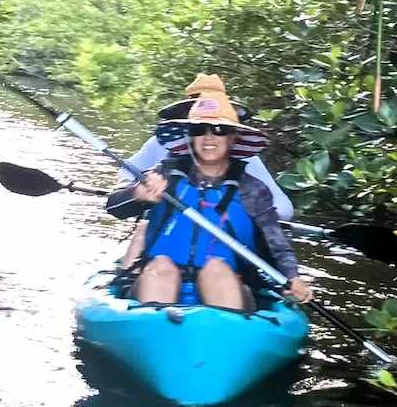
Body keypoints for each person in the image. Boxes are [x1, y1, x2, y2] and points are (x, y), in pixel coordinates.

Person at [106, 91, 313, 309]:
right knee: (161, 266)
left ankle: (225, 330)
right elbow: (114, 206)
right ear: (190, 136)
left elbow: (276, 244)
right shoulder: (166, 173)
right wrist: (137, 194)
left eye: (219, 130)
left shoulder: (252, 189)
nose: (208, 138)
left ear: (233, 136)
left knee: (216, 268)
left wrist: (292, 276)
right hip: (159, 278)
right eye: (198, 129)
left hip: (227, 281)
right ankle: (152, 325)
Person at [120, 74, 294, 220]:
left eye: (217, 128)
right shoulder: (158, 144)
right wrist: (136, 192)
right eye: (198, 125)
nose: (207, 131)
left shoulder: (246, 158)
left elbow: (284, 207)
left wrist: (248, 217)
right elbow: (127, 173)